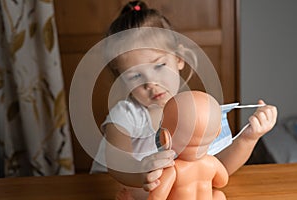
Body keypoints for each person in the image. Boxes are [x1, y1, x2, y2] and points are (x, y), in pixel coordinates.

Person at [90, 1, 277, 199]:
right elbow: (115, 161)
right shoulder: (127, 115)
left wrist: (248, 138)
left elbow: (215, 169)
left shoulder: (191, 112)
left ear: (179, 58)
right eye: (135, 76)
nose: (151, 83)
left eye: (159, 66)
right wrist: (139, 173)